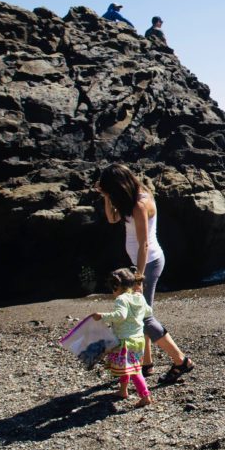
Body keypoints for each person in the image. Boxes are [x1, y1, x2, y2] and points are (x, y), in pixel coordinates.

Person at [96, 163, 196, 384]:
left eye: (111, 190)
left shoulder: (140, 203)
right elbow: (112, 219)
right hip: (139, 263)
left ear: (120, 185)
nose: (111, 194)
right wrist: (106, 197)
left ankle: (181, 361)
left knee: (145, 316)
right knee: (143, 313)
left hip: (148, 263)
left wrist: (138, 277)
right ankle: (146, 363)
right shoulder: (130, 200)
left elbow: (144, 244)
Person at [92, 267, 153, 406]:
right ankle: (123, 391)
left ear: (117, 286)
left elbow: (121, 316)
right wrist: (136, 317)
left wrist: (102, 316)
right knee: (129, 367)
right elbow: (148, 312)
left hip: (125, 340)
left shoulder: (121, 299)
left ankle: (145, 396)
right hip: (138, 339)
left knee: (135, 370)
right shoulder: (139, 297)